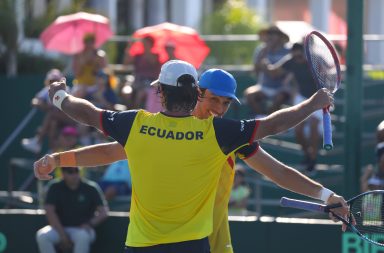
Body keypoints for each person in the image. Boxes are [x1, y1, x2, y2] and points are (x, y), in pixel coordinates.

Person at [34, 60, 349, 253]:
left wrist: (325, 194)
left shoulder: (148, 127)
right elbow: (109, 152)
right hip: (189, 245)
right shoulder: (221, 135)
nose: (220, 108)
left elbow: (277, 171)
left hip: (211, 243)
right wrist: (60, 159)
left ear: (162, 91)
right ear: (197, 92)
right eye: (215, 99)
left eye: (226, 104)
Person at [268, 43, 321, 172]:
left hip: (319, 97)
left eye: (301, 54)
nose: (298, 57)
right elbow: (274, 72)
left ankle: (313, 158)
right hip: (302, 98)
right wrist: (264, 60)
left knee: (314, 124)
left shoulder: (314, 61)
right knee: (298, 129)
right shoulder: (290, 61)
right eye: (295, 54)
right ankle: (307, 156)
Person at [36, 166, 109, 253]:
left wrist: (89, 224)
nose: (74, 175)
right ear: (63, 174)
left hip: (82, 229)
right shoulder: (54, 187)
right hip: (59, 229)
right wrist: (62, 235)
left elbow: (103, 212)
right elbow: (49, 211)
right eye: (70, 172)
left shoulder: (91, 188)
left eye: (76, 171)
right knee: (42, 236)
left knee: (83, 236)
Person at [21, 69, 75, 154]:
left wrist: (47, 107)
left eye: (55, 80)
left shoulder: (66, 90)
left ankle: (38, 141)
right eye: (51, 80)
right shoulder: (47, 90)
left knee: (51, 114)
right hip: (57, 120)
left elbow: (63, 107)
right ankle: (52, 150)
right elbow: (35, 101)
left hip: (69, 119)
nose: (53, 82)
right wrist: (43, 104)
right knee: (53, 123)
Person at [244, 25, 291, 116]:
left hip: (281, 88)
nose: (271, 36)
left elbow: (276, 73)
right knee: (249, 95)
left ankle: (271, 121)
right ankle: (262, 118)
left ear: (280, 37)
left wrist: (266, 66)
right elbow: (256, 70)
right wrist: (263, 53)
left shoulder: (288, 51)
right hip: (264, 87)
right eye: (269, 33)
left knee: (279, 98)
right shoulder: (261, 50)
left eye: (274, 34)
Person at [123, 35, 162, 109]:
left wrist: (147, 51)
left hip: (149, 82)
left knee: (139, 95)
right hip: (136, 81)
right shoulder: (138, 56)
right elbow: (126, 63)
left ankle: (135, 113)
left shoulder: (156, 56)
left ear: (151, 44)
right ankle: (129, 111)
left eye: (147, 42)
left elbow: (153, 62)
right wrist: (129, 47)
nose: (144, 44)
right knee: (126, 92)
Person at [72, 33, 107, 99]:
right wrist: (82, 63)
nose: (89, 45)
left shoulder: (100, 55)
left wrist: (97, 63)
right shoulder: (78, 56)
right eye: (87, 42)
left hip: (96, 85)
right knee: (80, 92)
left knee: (100, 94)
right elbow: (77, 73)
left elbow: (104, 71)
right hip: (81, 84)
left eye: (91, 42)